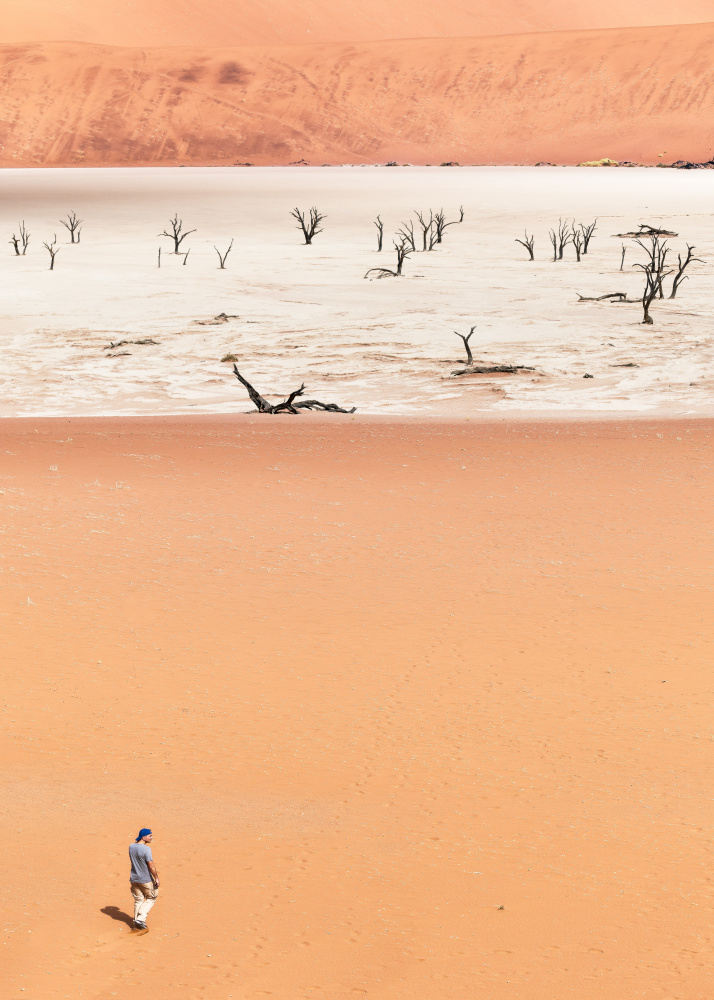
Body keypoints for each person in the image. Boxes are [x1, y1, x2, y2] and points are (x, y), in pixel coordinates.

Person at [129, 828, 160, 929]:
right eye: (150, 836)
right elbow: (150, 865)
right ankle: (141, 919)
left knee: (139, 899)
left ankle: (136, 924)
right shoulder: (146, 849)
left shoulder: (131, 846)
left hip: (134, 879)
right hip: (145, 879)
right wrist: (156, 878)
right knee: (152, 897)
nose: (152, 837)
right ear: (144, 837)